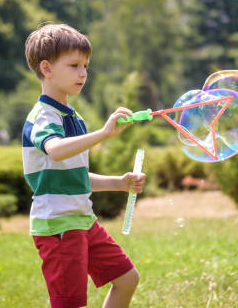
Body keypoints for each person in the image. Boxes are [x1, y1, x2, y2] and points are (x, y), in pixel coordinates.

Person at [22, 23, 146, 308]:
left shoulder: (73, 117)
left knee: (127, 278)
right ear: (47, 68)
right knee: (70, 304)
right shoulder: (44, 116)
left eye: (86, 66)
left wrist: (119, 183)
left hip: (82, 220)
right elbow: (54, 151)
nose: (83, 73)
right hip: (59, 226)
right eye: (75, 65)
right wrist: (104, 134)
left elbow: (72, 175)